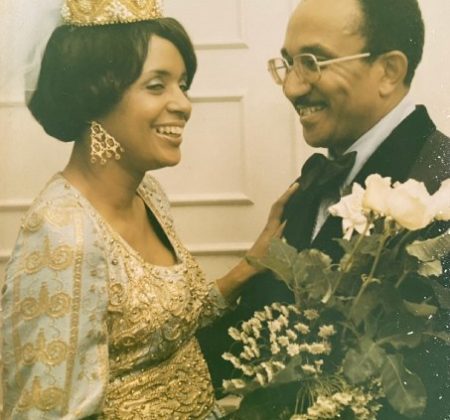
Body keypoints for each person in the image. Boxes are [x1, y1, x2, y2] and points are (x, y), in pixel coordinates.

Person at [1, 1, 298, 418]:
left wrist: (251, 264)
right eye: (157, 86)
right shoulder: (62, 234)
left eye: (183, 85)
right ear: (94, 98)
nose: (184, 105)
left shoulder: (149, 195)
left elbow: (164, 325)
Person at [198, 0, 450, 418]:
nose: (292, 87)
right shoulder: (312, 182)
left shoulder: (441, 182)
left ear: (389, 70)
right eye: (288, 64)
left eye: (313, 63)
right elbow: (259, 329)